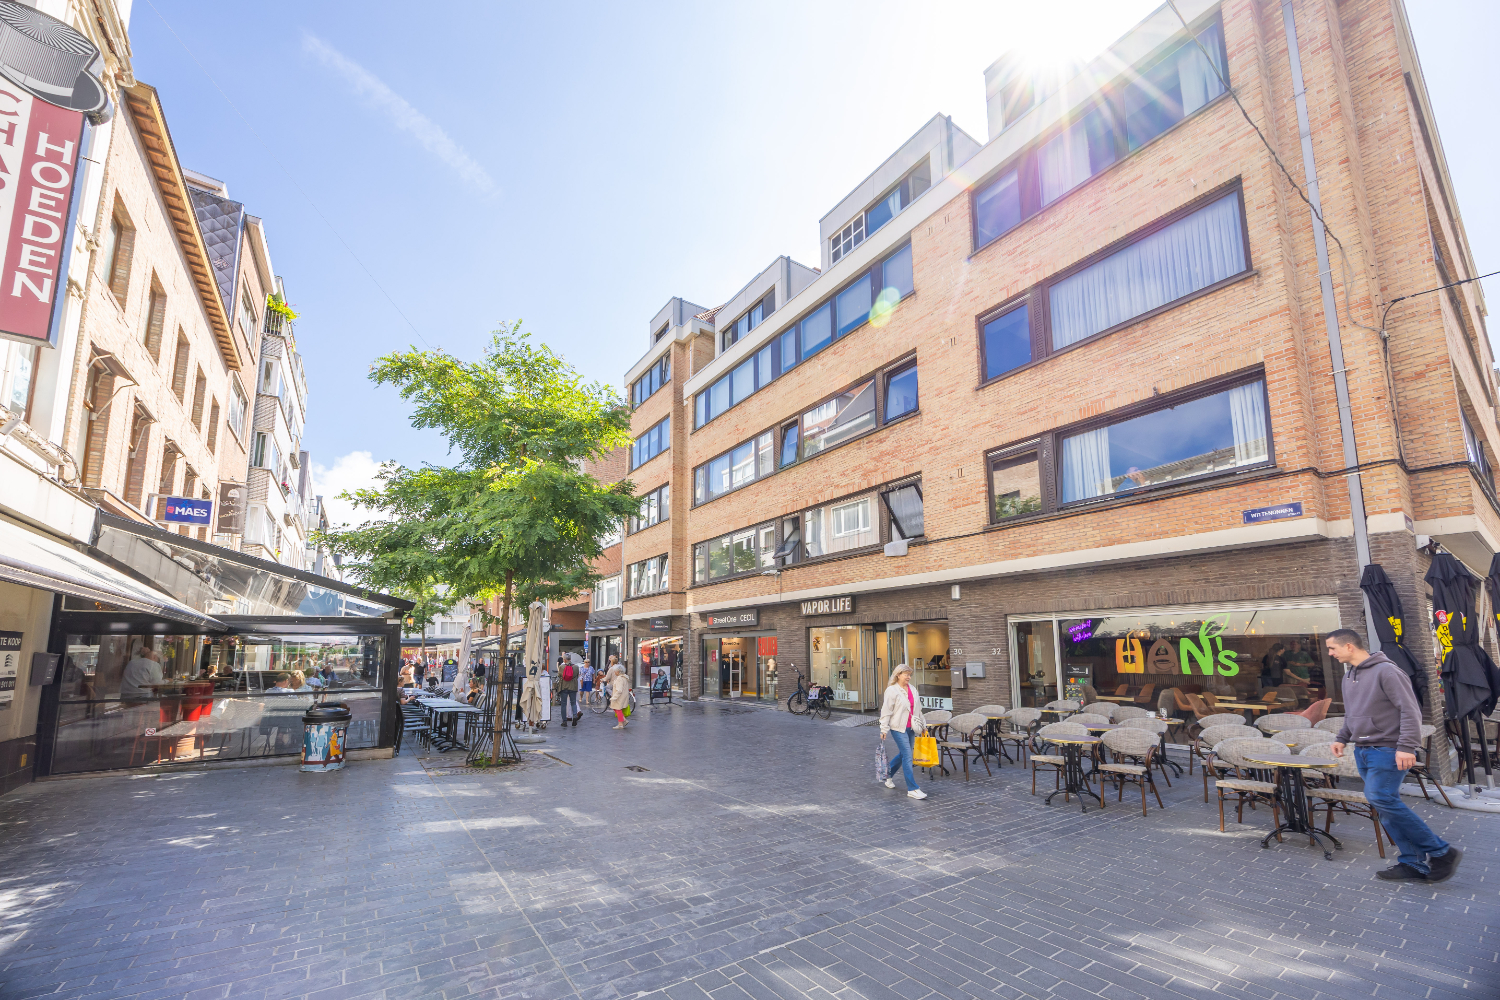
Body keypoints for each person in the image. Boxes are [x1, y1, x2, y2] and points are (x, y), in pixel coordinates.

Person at [1327, 628, 1461, 882]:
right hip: (1363, 750)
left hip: (1388, 749)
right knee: (1383, 805)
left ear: (1349, 647)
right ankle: (1413, 863)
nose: (1330, 653)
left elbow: (1410, 710)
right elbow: (1352, 713)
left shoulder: (1387, 671)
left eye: (1333, 648)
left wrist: (1407, 747)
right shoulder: (1349, 677)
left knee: (1380, 797)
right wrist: (1341, 737)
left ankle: (1441, 851)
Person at [878, 664, 928, 800]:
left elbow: (918, 710)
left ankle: (888, 776)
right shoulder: (892, 691)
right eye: (906, 674)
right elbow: (886, 711)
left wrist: (923, 725)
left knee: (904, 754)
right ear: (898, 675)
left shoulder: (913, 689)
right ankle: (912, 788)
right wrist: (884, 729)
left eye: (909, 674)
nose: (909, 677)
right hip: (897, 728)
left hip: (911, 727)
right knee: (907, 755)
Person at [556, 655, 579, 726]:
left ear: (564, 660)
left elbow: (559, 675)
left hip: (564, 687)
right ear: (570, 659)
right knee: (573, 703)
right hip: (573, 687)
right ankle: (575, 715)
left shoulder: (561, 667)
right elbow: (577, 675)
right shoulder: (576, 667)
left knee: (563, 704)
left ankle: (564, 721)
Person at [607, 664, 631, 729]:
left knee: (617, 709)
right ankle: (624, 720)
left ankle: (620, 724)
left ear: (618, 671)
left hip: (619, 697)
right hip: (623, 696)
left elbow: (619, 690)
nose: (614, 672)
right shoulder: (624, 678)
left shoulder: (619, 679)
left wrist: (613, 698)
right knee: (617, 709)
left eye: (615, 671)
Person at [537, 662, 553, 728]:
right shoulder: (547, 674)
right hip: (542, 693)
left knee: (542, 706)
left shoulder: (545, 675)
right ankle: (540, 720)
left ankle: (542, 720)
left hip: (543, 693)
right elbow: (550, 684)